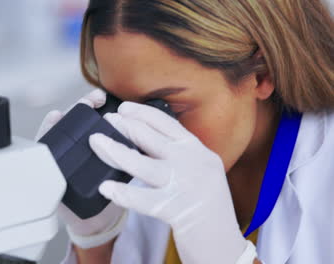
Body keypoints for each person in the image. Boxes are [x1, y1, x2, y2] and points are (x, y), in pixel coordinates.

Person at [35, 0, 334, 263]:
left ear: (262, 73)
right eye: (119, 104)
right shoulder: (135, 162)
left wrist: (225, 257)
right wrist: (97, 241)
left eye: (168, 108)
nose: (140, 134)